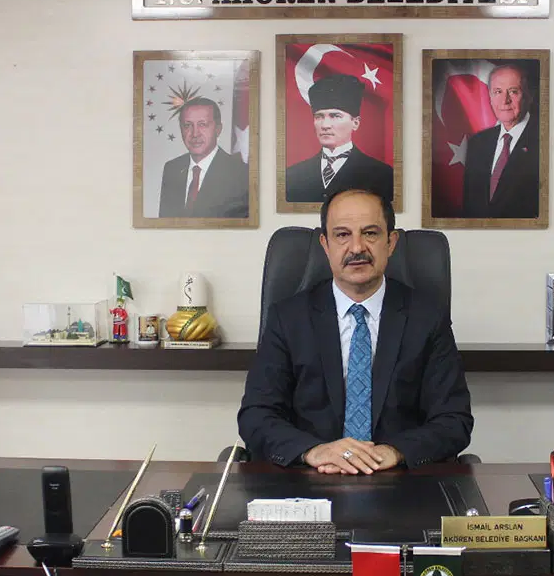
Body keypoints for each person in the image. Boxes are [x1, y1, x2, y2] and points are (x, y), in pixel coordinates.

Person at [237, 187, 473, 474]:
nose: (357, 247)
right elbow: (256, 415)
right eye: (342, 235)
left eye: (370, 233)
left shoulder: (427, 318)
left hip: (399, 480)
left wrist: (395, 451)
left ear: (391, 242)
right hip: (309, 478)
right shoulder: (288, 318)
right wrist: (313, 451)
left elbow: (454, 420)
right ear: (325, 245)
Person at [285, 74, 394, 205]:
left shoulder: (382, 174)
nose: (325, 125)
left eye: (335, 116)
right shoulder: (293, 175)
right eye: (319, 117)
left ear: (355, 123)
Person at [457, 62, 541, 219]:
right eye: (498, 92)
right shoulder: (477, 143)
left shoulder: (543, 141)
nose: (505, 100)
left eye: (513, 91)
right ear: (490, 97)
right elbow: (469, 208)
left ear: (529, 95)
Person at [158, 97, 249, 218]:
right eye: (187, 125)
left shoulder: (240, 173)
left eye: (202, 125)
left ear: (218, 129)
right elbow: (165, 223)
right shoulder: (172, 169)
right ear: (181, 129)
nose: (195, 134)